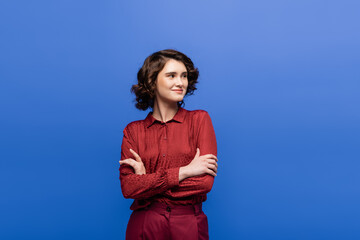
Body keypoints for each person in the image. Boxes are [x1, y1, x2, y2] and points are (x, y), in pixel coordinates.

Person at [119, 49, 218, 240]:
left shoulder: (199, 120)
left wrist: (147, 184)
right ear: (152, 81)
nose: (180, 82)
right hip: (144, 224)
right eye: (171, 75)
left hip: (188, 224)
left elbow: (204, 183)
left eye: (184, 76)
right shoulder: (133, 131)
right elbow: (129, 188)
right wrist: (185, 171)